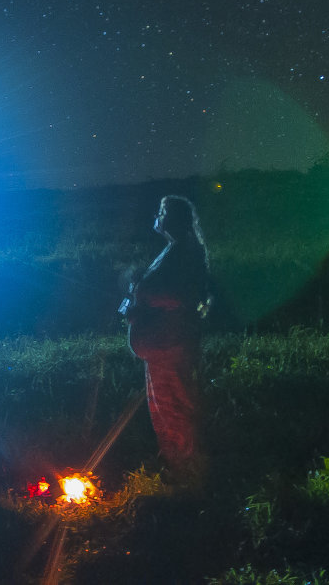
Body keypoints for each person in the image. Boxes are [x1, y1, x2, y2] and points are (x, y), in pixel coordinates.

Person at [121, 195, 211, 474]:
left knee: (174, 406)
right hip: (159, 345)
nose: (158, 217)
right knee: (162, 407)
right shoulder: (174, 249)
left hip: (170, 344)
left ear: (176, 219)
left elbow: (180, 297)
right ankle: (174, 461)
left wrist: (144, 296)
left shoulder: (185, 252)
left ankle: (186, 467)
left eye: (163, 212)